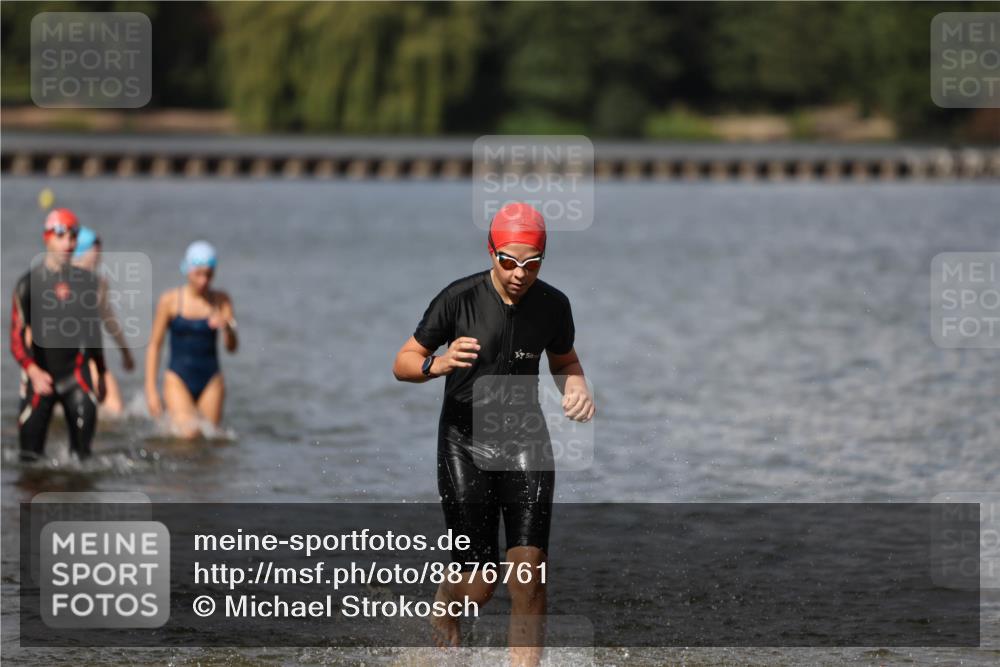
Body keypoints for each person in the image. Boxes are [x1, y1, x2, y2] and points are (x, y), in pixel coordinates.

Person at [392, 202, 594, 665]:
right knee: (480, 581)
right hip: (464, 441)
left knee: (528, 573)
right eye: (509, 261)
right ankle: (446, 608)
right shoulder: (458, 298)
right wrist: (436, 364)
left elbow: (564, 362)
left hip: (525, 439)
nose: (520, 273)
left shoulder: (553, 306)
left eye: (531, 262)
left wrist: (576, 386)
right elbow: (402, 362)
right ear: (491, 252)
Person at [10, 208, 107, 462]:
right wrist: (32, 370)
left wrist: (102, 372)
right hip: (40, 377)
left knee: (83, 463)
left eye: (73, 236)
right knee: (29, 462)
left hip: (76, 377)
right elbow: (16, 337)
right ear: (47, 237)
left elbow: (93, 331)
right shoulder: (28, 284)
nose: (68, 243)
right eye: (62, 235)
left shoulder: (87, 282)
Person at [145, 241, 238, 439]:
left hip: (211, 380)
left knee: (210, 439)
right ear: (187, 269)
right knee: (189, 434)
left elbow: (231, 348)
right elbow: (155, 345)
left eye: (209, 274)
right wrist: (151, 389)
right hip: (177, 378)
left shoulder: (221, 300)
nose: (204, 281)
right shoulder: (170, 300)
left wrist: (228, 327)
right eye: (199, 274)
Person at [72, 226, 136, 417]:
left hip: (92, 357)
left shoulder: (99, 283)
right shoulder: (61, 280)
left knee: (115, 409)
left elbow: (109, 320)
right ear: (85, 249)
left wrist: (125, 352)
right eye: (96, 248)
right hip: (67, 358)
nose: (100, 254)